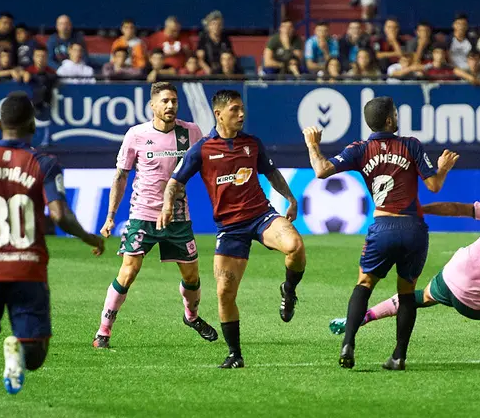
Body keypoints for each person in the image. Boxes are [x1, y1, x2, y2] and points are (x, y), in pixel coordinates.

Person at [0, 92, 104, 418]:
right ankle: (18, 356)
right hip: (28, 271)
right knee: (36, 356)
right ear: (32, 124)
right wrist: (89, 236)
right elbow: (59, 215)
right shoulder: (44, 162)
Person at [328, 197, 480, 371]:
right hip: (472, 302)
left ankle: (363, 317)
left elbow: (458, 208)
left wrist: (422, 209)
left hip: (451, 274)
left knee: (419, 297)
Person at [302, 97, 459, 370]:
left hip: (383, 227)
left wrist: (313, 145)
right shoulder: (411, 144)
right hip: (413, 229)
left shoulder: (360, 149)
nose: (397, 116)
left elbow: (321, 170)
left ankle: (348, 344)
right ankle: (398, 356)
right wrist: (443, 168)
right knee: (407, 293)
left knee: (364, 284)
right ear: (389, 120)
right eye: (395, 113)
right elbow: (434, 185)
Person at [161, 90, 306, 369]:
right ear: (219, 114)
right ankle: (235, 354)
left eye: (242, 110)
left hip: (261, 215)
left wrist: (289, 197)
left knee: (295, 247)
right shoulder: (202, 149)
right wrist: (168, 206)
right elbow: (175, 181)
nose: (241, 115)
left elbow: (271, 173)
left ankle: (288, 290)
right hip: (230, 227)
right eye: (235, 110)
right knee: (225, 292)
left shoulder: (253, 143)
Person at [93, 82, 217, 349]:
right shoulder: (136, 135)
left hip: (178, 216)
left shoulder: (191, 132)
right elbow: (121, 176)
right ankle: (103, 331)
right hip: (142, 214)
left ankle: (191, 316)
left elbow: (209, 165)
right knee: (128, 271)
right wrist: (110, 216)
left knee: (192, 276)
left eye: (174, 101)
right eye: (165, 101)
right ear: (153, 106)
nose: (170, 106)